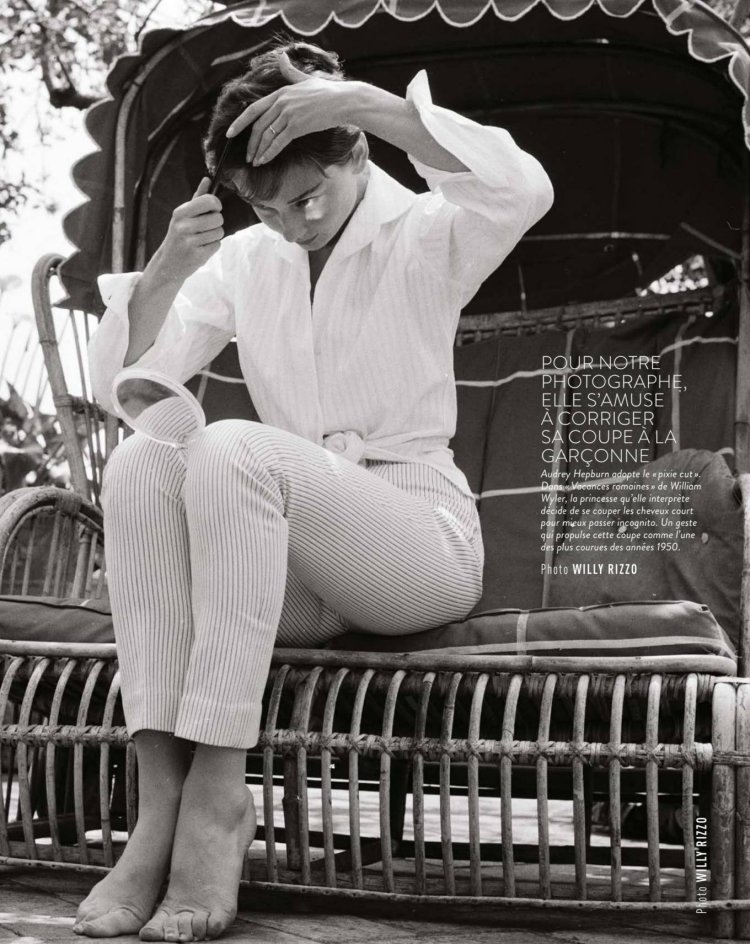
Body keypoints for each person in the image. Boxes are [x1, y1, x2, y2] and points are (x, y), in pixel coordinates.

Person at [76, 40, 553, 942]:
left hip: (416, 546)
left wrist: (364, 100)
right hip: (280, 570)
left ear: (356, 155)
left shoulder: (429, 230)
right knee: (144, 458)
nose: (292, 224)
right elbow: (126, 383)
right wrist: (168, 273)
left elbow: (522, 189)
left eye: (307, 198)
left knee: (231, 448)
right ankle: (156, 811)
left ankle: (218, 805)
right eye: (267, 207)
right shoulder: (252, 260)